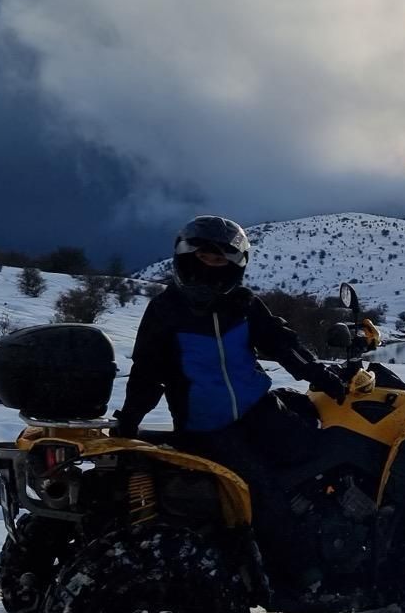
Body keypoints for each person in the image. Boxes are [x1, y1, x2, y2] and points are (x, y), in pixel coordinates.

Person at [112, 216, 344, 541]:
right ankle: (292, 571)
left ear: (234, 266)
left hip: (258, 407)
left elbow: (283, 344)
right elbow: (147, 374)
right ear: (185, 259)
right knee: (258, 494)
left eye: (219, 260)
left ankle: (332, 531)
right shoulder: (165, 312)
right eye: (202, 258)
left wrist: (324, 377)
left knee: (318, 453)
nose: (209, 267)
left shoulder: (243, 304)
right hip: (207, 428)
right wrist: (129, 421)